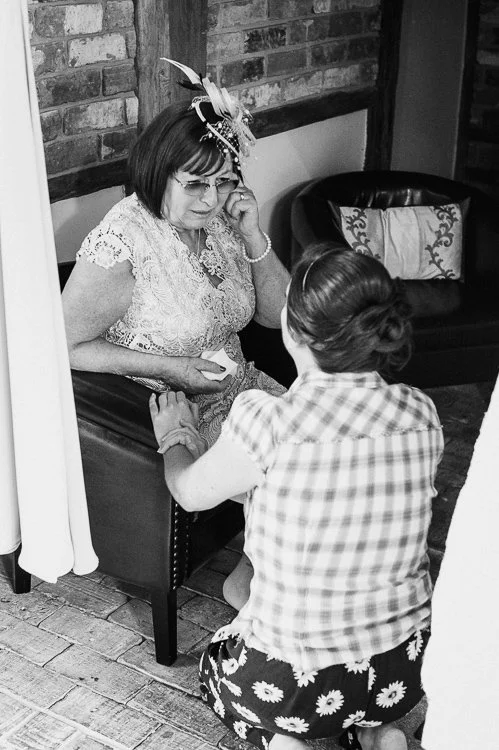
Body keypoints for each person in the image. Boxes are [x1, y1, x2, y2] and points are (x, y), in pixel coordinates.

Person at [148, 245, 444, 750]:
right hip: (403, 666)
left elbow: (189, 493)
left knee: (215, 671)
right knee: (249, 592)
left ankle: (284, 740)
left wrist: (177, 436)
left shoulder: (268, 419)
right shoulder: (421, 411)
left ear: (295, 330)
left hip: (290, 682)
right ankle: (377, 732)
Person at [62, 61, 290, 451]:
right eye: (195, 183)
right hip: (179, 413)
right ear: (159, 171)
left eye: (223, 182)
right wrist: (173, 370)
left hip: (248, 395)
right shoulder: (121, 242)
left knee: (333, 455)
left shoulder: (220, 220)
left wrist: (252, 234)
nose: (210, 199)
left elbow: (276, 316)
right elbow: (65, 346)